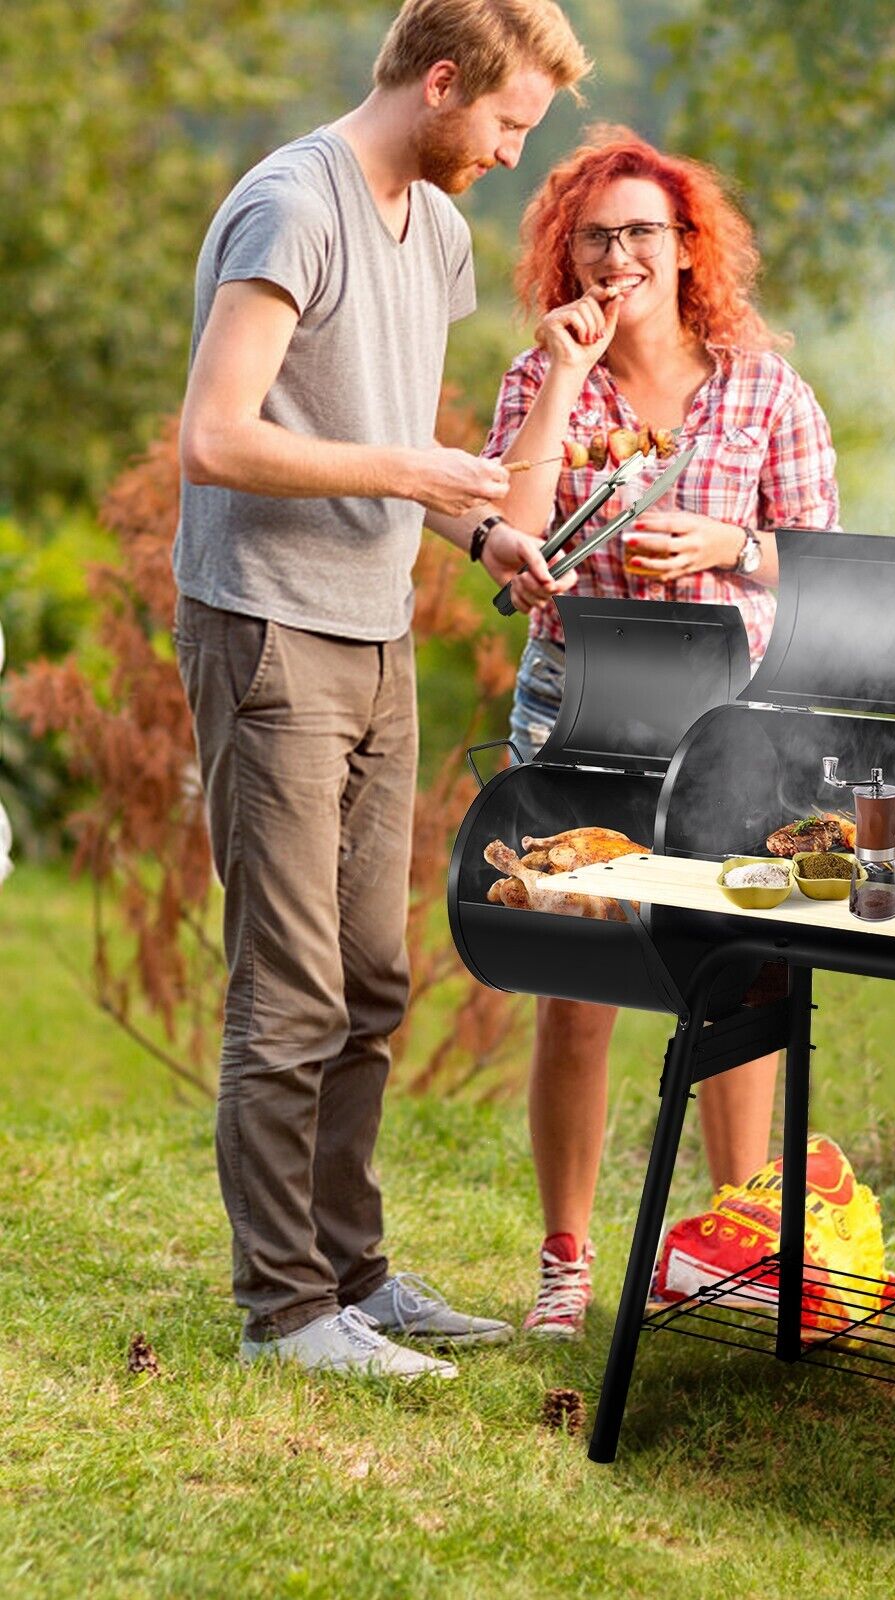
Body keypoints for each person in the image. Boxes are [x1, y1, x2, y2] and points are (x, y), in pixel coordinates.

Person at [173, 0, 592, 1379]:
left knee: (369, 975)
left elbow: (393, 429)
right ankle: (284, 1311)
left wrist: (481, 530)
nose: (514, 159)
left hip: (372, 632)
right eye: (508, 125)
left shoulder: (443, 228)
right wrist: (417, 477)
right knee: (287, 983)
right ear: (437, 81)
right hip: (267, 628)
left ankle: (353, 1276)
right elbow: (217, 437)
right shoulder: (291, 207)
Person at [481, 125, 840, 1339]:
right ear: (566, 253)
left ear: (688, 249)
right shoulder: (541, 375)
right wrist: (570, 378)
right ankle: (566, 1264)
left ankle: (737, 1244)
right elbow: (510, 529)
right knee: (574, 986)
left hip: (727, 720)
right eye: (597, 235)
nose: (620, 253)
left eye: (643, 232)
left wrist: (730, 544)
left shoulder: (763, 386)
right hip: (577, 700)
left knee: (739, 977)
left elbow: (827, 565)